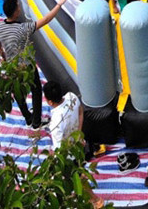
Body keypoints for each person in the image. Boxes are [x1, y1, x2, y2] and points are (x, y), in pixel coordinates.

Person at [0, 0, 70, 130]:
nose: (20, 8)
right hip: (27, 66)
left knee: (18, 91)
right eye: (18, 7)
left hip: (12, 67)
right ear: (15, 12)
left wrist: (3, 57)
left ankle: (28, 118)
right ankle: (36, 122)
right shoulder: (23, 29)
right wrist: (60, 4)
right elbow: (46, 19)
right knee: (36, 90)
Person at [43, 79, 103, 208]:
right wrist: (79, 134)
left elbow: (59, 150)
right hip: (78, 145)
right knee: (79, 173)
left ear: (49, 102)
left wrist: (53, 160)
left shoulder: (56, 123)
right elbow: (81, 112)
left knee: (77, 177)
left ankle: (95, 200)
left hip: (69, 155)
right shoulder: (71, 97)